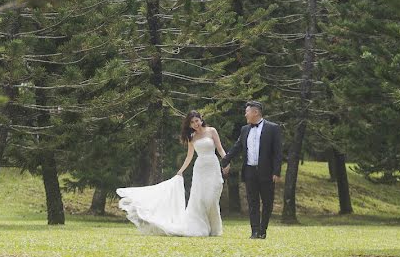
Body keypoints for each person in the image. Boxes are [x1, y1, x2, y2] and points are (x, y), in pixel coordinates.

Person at [116, 111, 226, 236]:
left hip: (213, 166)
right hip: (200, 168)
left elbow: (220, 149)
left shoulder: (211, 131)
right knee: (200, 199)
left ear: (201, 120)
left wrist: (226, 161)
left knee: (212, 197)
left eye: (197, 121)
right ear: (189, 125)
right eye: (192, 122)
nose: (195, 124)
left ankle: (215, 228)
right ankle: (202, 227)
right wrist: (181, 170)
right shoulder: (192, 137)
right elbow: (189, 156)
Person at [221, 101, 282, 239]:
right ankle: (254, 231)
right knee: (252, 201)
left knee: (267, 202)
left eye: (247, 111)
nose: (245, 114)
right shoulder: (244, 129)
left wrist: (276, 172)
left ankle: (263, 230)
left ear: (255, 112)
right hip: (249, 171)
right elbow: (237, 147)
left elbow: (278, 152)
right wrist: (225, 160)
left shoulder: (273, 128)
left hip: (266, 172)